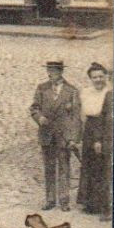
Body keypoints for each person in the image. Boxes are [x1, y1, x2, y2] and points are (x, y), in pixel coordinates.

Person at [30, 58, 82, 212]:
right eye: (49, 70)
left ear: (61, 72)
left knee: (64, 167)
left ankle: (64, 200)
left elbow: (76, 117)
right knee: (49, 168)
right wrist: (39, 118)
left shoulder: (71, 91)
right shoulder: (41, 88)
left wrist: (73, 138)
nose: (51, 73)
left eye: (54, 70)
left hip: (63, 136)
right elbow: (34, 108)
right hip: (46, 135)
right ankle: (50, 199)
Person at [76, 62, 113, 219]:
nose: (98, 80)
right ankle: (90, 203)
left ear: (105, 77)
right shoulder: (86, 92)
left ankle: (103, 204)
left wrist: (100, 139)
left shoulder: (109, 93)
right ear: (90, 79)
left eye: (100, 76)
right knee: (88, 164)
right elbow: (82, 115)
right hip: (89, 129)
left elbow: (105, 116)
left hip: (103, 129)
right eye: (94, 77)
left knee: (102, 166)